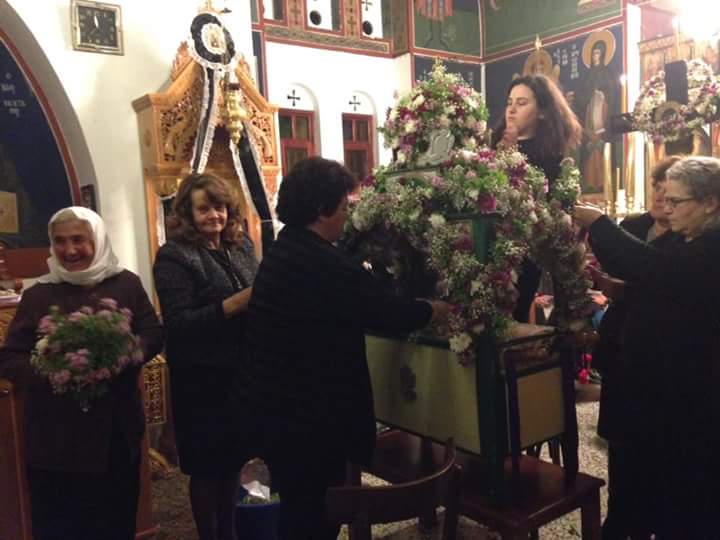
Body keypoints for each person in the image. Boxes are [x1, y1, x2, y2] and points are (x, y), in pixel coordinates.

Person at [235, 157, 450, 540]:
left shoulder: (284, 250)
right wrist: (433, 309)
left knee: (298, 510)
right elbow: (385, 311)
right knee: (314, 517)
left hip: (277, 414)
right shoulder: (322, 263)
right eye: (344, 207)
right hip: (310, 423)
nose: (347, 216)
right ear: (322, 209)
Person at [574, 156, 720, 539]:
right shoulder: (684, 235)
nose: (666, 208)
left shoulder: (712, 246)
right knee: (640, 474)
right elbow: (642, 268)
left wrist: (598, 222)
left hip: (688, 390)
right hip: (655, 383)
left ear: (710, 203)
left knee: (686, 491)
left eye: (676, 201)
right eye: (665, 198)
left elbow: (653, 267)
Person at [0, 206, 163, 540]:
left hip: (115, 431)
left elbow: (152, 333)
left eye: (78, 239)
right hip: (56, 440)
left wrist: (121, 357)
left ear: (98, 240)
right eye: (60, 241)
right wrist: (53, 371)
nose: (69, 250)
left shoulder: (126, 284)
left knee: (115, 519)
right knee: (63, 525)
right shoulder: (38, 295)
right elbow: (10, 357)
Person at [153, 173, 258, 540]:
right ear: (187, 213)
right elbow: (179, 323)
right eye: (204, 209)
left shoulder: (240, 245)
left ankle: (229, 532)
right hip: (200, 379)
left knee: (232, 461)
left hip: (238, 373)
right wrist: (235, 304)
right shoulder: (174, 256)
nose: (215, 215)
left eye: (220, 207)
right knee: (206, 467)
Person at [590, 155, 681, 540]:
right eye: (657, 185)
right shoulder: (631, 226)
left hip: (661, 356)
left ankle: (648, 520)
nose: (661, 195)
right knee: (620, 442)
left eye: (670, 190)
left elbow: (662, 281)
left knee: (656, 448)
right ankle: (619, 516)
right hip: (621, 345)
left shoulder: (692, 239)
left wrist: (626, 290)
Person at [491, 75, 582, 321]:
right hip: (488, 243)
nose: (511, 109)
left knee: (513, 316)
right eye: (509, 102)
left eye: (521, 103)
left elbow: (538, 205)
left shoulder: (550, 157)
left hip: (525, 250)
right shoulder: (490, 144)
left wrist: (510, 156)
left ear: (542, 112)